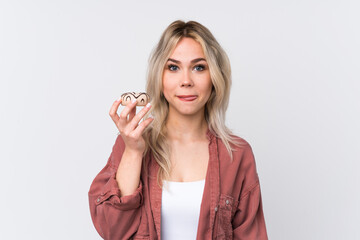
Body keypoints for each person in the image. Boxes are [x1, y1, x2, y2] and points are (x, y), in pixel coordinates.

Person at [88, 20, 268, 240]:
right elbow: (113, 231)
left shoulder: (237, 154)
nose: (186, 80)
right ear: (160, 77)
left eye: (199, 67)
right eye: (173, 67)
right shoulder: (132, 143)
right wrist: (134, 152)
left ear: (215, 77)